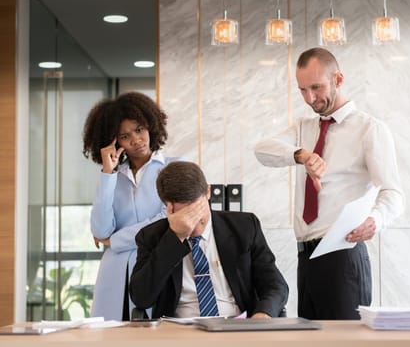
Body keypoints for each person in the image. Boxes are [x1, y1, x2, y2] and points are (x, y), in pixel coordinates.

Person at [254, 47, 404, 320]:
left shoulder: (369, 129)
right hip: (306, 258)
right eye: (302, 90)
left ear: (338, 79)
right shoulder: (304, 128)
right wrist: (301, 154)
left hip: (342, 256)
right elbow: (262, 150)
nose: (310, 98)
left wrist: (376, 219)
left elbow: (393, 192)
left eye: (316, 87)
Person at [129, 161, 288, 319]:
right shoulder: (151, 237)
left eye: (198, 210)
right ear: (168, 207)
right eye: (186, 214)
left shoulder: (244, 227)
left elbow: (275, 286)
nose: (194, 222)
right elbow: (141, 298)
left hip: (237, 326)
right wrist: (175, 238)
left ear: (208, 192)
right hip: (179, 332)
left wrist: (263, 315)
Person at [82, 91, 183, 320]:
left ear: (150, 126)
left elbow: (167, 219)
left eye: (139, 130)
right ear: (114, 141)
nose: (136, 140)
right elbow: (100, 230)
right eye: (125, 136)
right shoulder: (112, 178)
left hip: (158, 267)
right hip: (114, 272)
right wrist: (107, 173)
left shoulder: (174, 168)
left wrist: (116, 240)